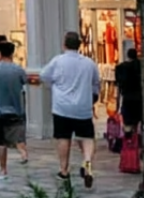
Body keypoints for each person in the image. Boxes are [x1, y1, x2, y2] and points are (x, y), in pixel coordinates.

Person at [41, 31, 100, 187]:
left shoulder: (58, 61)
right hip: (83, 107)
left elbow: (44, 76)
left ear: (64, 44)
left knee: (63, 138)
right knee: (87, 137)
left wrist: (54, 83)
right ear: (79, 45)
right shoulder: (89, 63)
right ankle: (87, 162)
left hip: (62, 107)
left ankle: (64, 170)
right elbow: (96, 83)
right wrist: (93, 97)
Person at [0, 40, 29, 180]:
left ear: (0, 53)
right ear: (12, 53)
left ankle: (3, 170)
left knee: (0, 142)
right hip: (17, 109)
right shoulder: (19, 70)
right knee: (18, 136)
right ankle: (23, 153)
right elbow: (25, 82)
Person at [114, 47, 143, 137]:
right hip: (139, 97)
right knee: (138, 118)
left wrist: (117, 104)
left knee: (128, 119)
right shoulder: (141, 66)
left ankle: (129, 137)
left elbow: (118, 85)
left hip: (127, 97)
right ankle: (137, 136)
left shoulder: (120, 68)